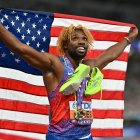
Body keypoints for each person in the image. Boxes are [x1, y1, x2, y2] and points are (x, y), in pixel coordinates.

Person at [0, 22, 138, 140]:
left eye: (84, 39)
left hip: (85, 136)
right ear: (65, 45)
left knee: (90, 68)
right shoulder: (55, 64)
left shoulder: (88, 65)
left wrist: (128, 39)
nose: (81, 41)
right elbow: (21, 49)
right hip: (60, 137)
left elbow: (110, 55)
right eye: (75, 38)